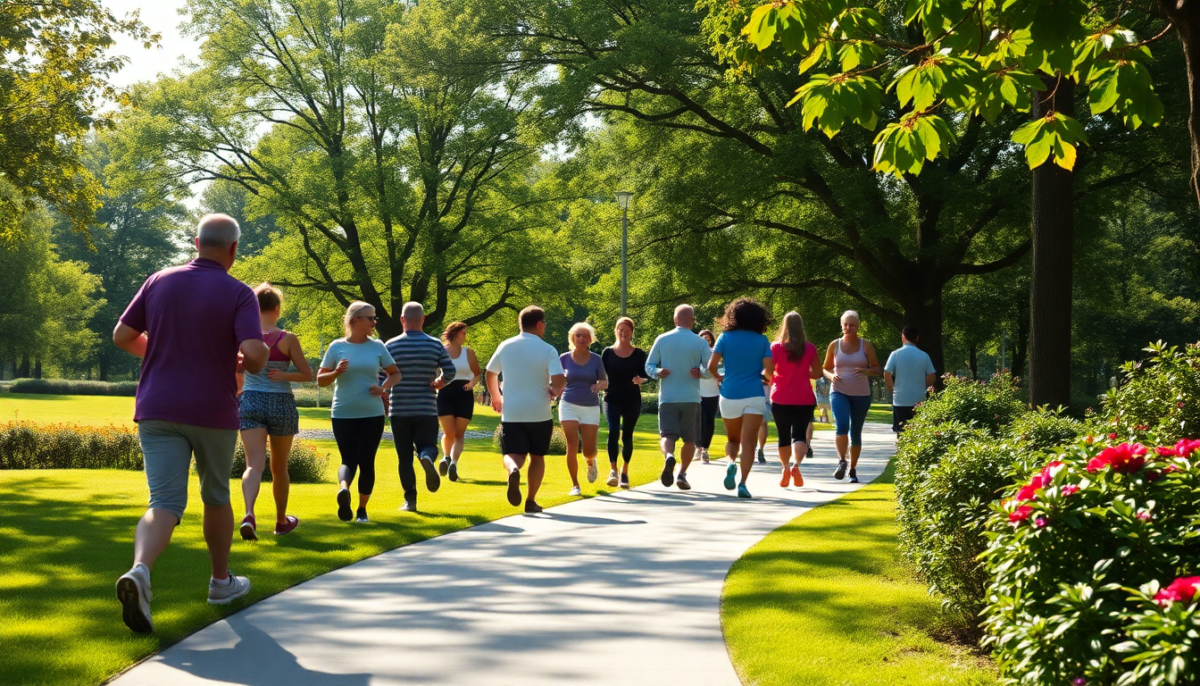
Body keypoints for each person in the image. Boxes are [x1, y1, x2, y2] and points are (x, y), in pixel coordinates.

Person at [113, 213, 269, 633]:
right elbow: (254, 354)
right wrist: (251, 357)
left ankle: (140, 570)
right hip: (211, 409)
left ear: (196, 243)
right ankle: (220, 582)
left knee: (163, 502)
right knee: (215, 496)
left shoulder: (158, 280)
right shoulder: (239, 292)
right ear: (233, 249)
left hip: (157, 406)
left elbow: (122, 336)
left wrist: (162, 351)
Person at [236, 283, 312, 541]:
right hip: (281, 403)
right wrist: (284, 375)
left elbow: (234, 369)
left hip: (251, 401)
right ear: (277, 309)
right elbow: (307, 374)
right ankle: (281, 522)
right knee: (279, 467)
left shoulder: (243, 338)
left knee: (253, 465)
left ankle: (249, 514)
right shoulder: (287, 339)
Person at [318, 302, 401, 523]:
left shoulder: (378, 346)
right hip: (343, 413)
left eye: (375, 318)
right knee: (352, 459)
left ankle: (352, 497)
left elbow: (395, 374)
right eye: (370, 318)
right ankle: (353, 502)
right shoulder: (337, 347)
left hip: (372, 413)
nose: (374, 322)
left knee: (365, 460)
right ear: (355, 320)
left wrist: (383, 388)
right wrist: (336, 372)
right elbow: (321, 380)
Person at [486, 306, 566, 513]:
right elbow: (559, 380)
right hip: (539, 413)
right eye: (544, 324)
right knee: (537, 457)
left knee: (512, 453)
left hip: (512, 412)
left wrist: (496, 397)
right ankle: (530, 501)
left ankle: (513, 469)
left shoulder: (505, 345)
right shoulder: (548, 349)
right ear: (539, 325)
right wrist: (555, 390)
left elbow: (490, 372)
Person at [384, 302, 455, 513]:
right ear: (423, 319)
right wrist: (439, 382)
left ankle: (410, 501)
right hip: (426, 408)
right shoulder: (435, 344)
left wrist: (384, 396)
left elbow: (381, 376)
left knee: (404, 457)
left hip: (400, 409)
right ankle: (426, 457)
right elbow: (450, 371)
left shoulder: (391, 345)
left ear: (402, 319)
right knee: (428, 446)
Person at [708, 298, 774, 499]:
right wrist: (765, 378)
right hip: (754, 394)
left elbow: (711, 366)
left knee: (733, 439)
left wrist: (719, 377)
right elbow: (770, 370)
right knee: (749, 442)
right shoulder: (761, 340)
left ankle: (730, 463)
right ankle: (743, 484)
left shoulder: (725, 337)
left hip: (730, 394)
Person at [645, 304, 712, 492]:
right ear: (692, 321)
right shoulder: (700, 342)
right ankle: (682, 474)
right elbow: (709, 370)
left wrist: (658, 372)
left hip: (668, 397)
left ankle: (669, 456)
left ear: (675, 320)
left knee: (667, 435)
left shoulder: (662, 339)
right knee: (689, 440)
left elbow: (649, 366)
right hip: (691, 397)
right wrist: (700, 373)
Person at [822, 310, 881, 484]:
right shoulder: (834, 345)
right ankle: (842, 461)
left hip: (861, 394)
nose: (848, 328)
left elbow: (877, 369)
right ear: (841, 326)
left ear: (858, 326)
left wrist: (865, 371)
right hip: (838, 391)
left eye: (852, 325)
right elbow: (825, 368)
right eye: (845, 324)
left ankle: (853, 469)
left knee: (855, 431)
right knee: (841, 425)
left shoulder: (866, 345)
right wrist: (831, 376)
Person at [769, 311, 822, 488]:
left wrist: (774, 377)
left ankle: (785, 467)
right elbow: (818, 373)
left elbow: (768, 371)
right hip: (804, 398)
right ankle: (796, 466)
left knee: (783, 436)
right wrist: (804, 372)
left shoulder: (775, 347)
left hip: (780, 397)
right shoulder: (810, 348)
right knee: (799, 435)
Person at [560, 322, 608, 496]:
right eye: (578, 335)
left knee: (588, 449)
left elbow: (605, 382)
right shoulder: (563, 358)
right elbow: (556, 381)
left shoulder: (596, 359)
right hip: (568, 404)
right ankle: (575, 485)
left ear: (590, 339)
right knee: (572, 444)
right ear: (572, 338)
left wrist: (600, 385)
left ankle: (591, 460)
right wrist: (552, 390)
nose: (581, 338)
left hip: (590, 406)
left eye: (585, 336)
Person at [601, 317, 648, 487]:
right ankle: (613, 470)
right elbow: (600, 374)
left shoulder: (639, 354)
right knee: (613, 431)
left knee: (627, 435)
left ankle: (625, 471)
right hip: (611, 397)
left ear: (632, 333)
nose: (624, 332)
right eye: (621, 329)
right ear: (615, 331)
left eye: (627, 330)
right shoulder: (607, 352)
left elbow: (646, 374)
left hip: (631, 399)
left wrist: (641, 380)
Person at [437, 321, 481, 482]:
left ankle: (453, 464)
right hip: (445, 394)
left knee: (459, 433)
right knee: (449, 432)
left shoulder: (468, 352)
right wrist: (435, 382)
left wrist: (472, 383)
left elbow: (477, 374)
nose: (465, 335)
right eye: (463, 332)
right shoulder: (441, 351)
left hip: (464, 393)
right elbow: (432, 371)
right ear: (455, 334)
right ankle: (446, 458)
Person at [884, 324, 937, 433]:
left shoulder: (895, 354)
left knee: (901, 431)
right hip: (919, 399)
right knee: (918, 432)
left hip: (900, 399)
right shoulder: (924, 355)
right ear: (917, 338)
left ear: (903, 337)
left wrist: (891, 388)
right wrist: (923, 386)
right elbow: (932, 375)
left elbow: (887, 373)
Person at [697, 330, 721, 464]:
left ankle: (705, 449)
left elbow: (720, 370)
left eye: (708, 338)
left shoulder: (716, 354)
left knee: (709, 421)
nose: (705, 341)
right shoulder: (694, 354)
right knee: (697, 421)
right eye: (703, 338)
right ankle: (698, 447)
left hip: (712, 392)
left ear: (711, 340)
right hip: (697, 392)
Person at [756, 384, 772, 463]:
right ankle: (761, 448)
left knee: (747, 425)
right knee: (763, 425)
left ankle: (748, 449)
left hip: (749, 399)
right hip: (764, 400)